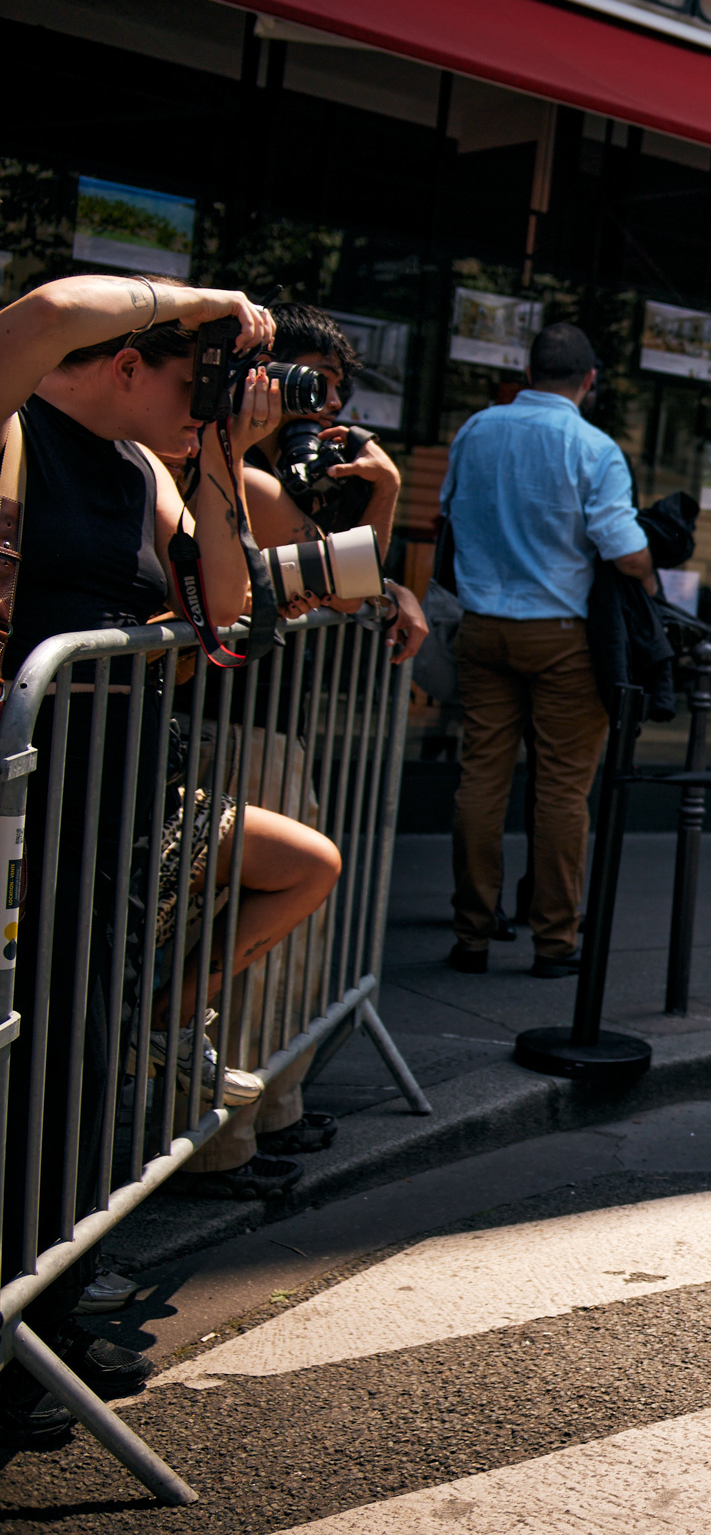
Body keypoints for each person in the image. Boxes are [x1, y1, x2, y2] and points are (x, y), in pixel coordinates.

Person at [0, 275, 344, 1444]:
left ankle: (38, 1301)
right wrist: (198, 295)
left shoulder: (148, 466)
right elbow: (42, 314)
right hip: (20, 817)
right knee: (23, 1065)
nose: (219, 401)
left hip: (114, 811)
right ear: (126, 359)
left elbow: (226, 613)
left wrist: (209, 463)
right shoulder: (18, 425)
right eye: (196, 379)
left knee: (78, 1068)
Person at [180, 301, 430, 1193]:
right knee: (246, 948)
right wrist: (385, 508)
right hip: (226, 729)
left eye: (330, 392)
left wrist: (385, 574)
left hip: (256, 726)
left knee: (284, 945)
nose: (318, 409)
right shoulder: (226, 469)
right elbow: (334, 576)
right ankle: (223, 1133)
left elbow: (342, 578)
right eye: (303, 386)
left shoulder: (258, 469)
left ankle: (261, 1111)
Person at [441, 324, 659, 978]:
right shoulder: (594, 447)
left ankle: (472, 934)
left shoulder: (476, 430)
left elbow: (449, 516)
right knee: (562, 790)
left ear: (527, 371)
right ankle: (554, 940)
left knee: (481, 779)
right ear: (589, 380)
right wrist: (649, 574)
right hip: (562, 637)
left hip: (481, 626)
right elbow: (621, 546)